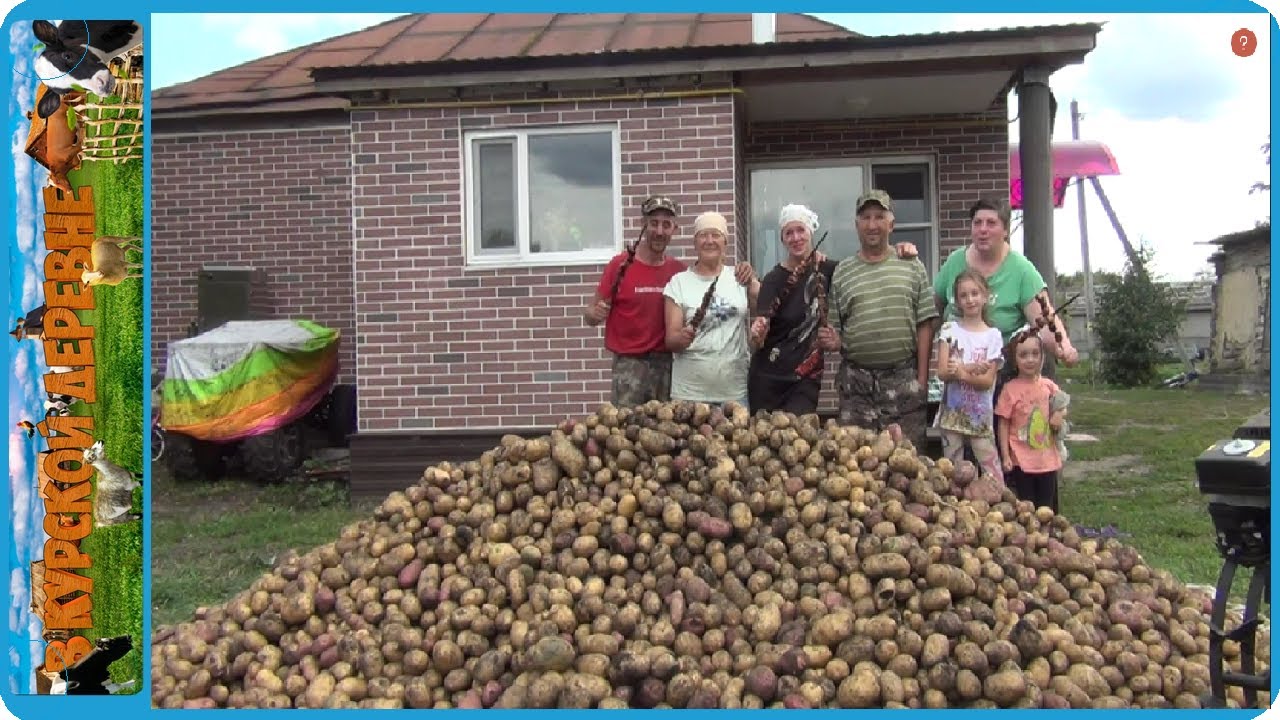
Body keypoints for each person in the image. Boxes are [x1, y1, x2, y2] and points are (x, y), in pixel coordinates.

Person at [932, 198, 1080, 455]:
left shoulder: (1021, 270)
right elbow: (931, 310)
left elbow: (1044, 318)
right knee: (956, 450)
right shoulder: (955, 262)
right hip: (955, 377)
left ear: (1005, 229)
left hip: (997, 373)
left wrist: (1063, 347)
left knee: (992, 447)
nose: (983, 229)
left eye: (991, 223)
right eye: (977, 223)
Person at [821, 189, 938, 450]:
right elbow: (836, 330)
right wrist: (832, 341)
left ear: (891, 224)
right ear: (856, 225)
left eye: (879, 217)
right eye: (865, 217)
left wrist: (921, 379)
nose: (872, 225)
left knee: (908, 466)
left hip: (903, 384)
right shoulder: (843, 272)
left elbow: (925, 324)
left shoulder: (911, 265)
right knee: (857, 469)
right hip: (856, 388)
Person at [584, 195, 686, 407]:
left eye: (666, 225)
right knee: (625, 434)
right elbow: (590, 314)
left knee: (665, 433)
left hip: (666, 367)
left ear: (674, 230)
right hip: (628, 367)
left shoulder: (679, 272)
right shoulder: (620, 266)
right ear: (643, 224)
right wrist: (594, 314)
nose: (659, 231)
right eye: (653, 223)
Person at [664, 211, 760, 407]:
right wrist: (681, 338)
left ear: (725, 242)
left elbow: (763, 312)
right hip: (689, 394)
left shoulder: (739, 278)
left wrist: (753, 280)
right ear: (695, 242)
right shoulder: (679, 283)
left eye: (716, 235)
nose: (709, 241)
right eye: (703, 235)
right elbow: (671, 340)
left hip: (733, 393)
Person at [935, 269, 1006, 483]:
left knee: (992, 472)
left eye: (975, 293)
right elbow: (942, 373)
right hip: (952, 416)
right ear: (957, 300)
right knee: (952, 473)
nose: (970, 299)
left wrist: (962, 371)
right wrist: (971, 368)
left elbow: (986, 382)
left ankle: (1000, 506)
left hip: (980, 418)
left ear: (985, 296)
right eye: (964, 295)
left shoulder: (993, 336)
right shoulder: (949, 330)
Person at [995, 332, 1068, 513]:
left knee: (1047, 506)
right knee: (1027, 507)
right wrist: (1005, 456)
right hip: (1022, 460)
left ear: (1042, 357)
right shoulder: (1010, 390)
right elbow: (1003, 424)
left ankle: (1048, 537)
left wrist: (1059, 414)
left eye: (1035, 354)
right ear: (1014, 359)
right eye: (1023, 355)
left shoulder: (1048, 386)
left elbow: (1062, 404)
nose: (1030, 360)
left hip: (1047, 458)